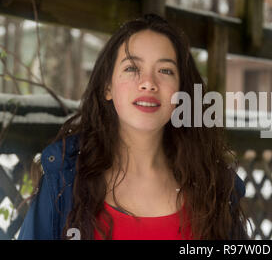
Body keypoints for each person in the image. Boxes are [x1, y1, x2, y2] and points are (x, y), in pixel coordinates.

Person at [17, 13, 249, 240]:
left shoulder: (212, 185)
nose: (148, 83)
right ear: (108, 86)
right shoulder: (65, 180)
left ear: (181, 93)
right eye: (131, 68)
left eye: (165, 71)